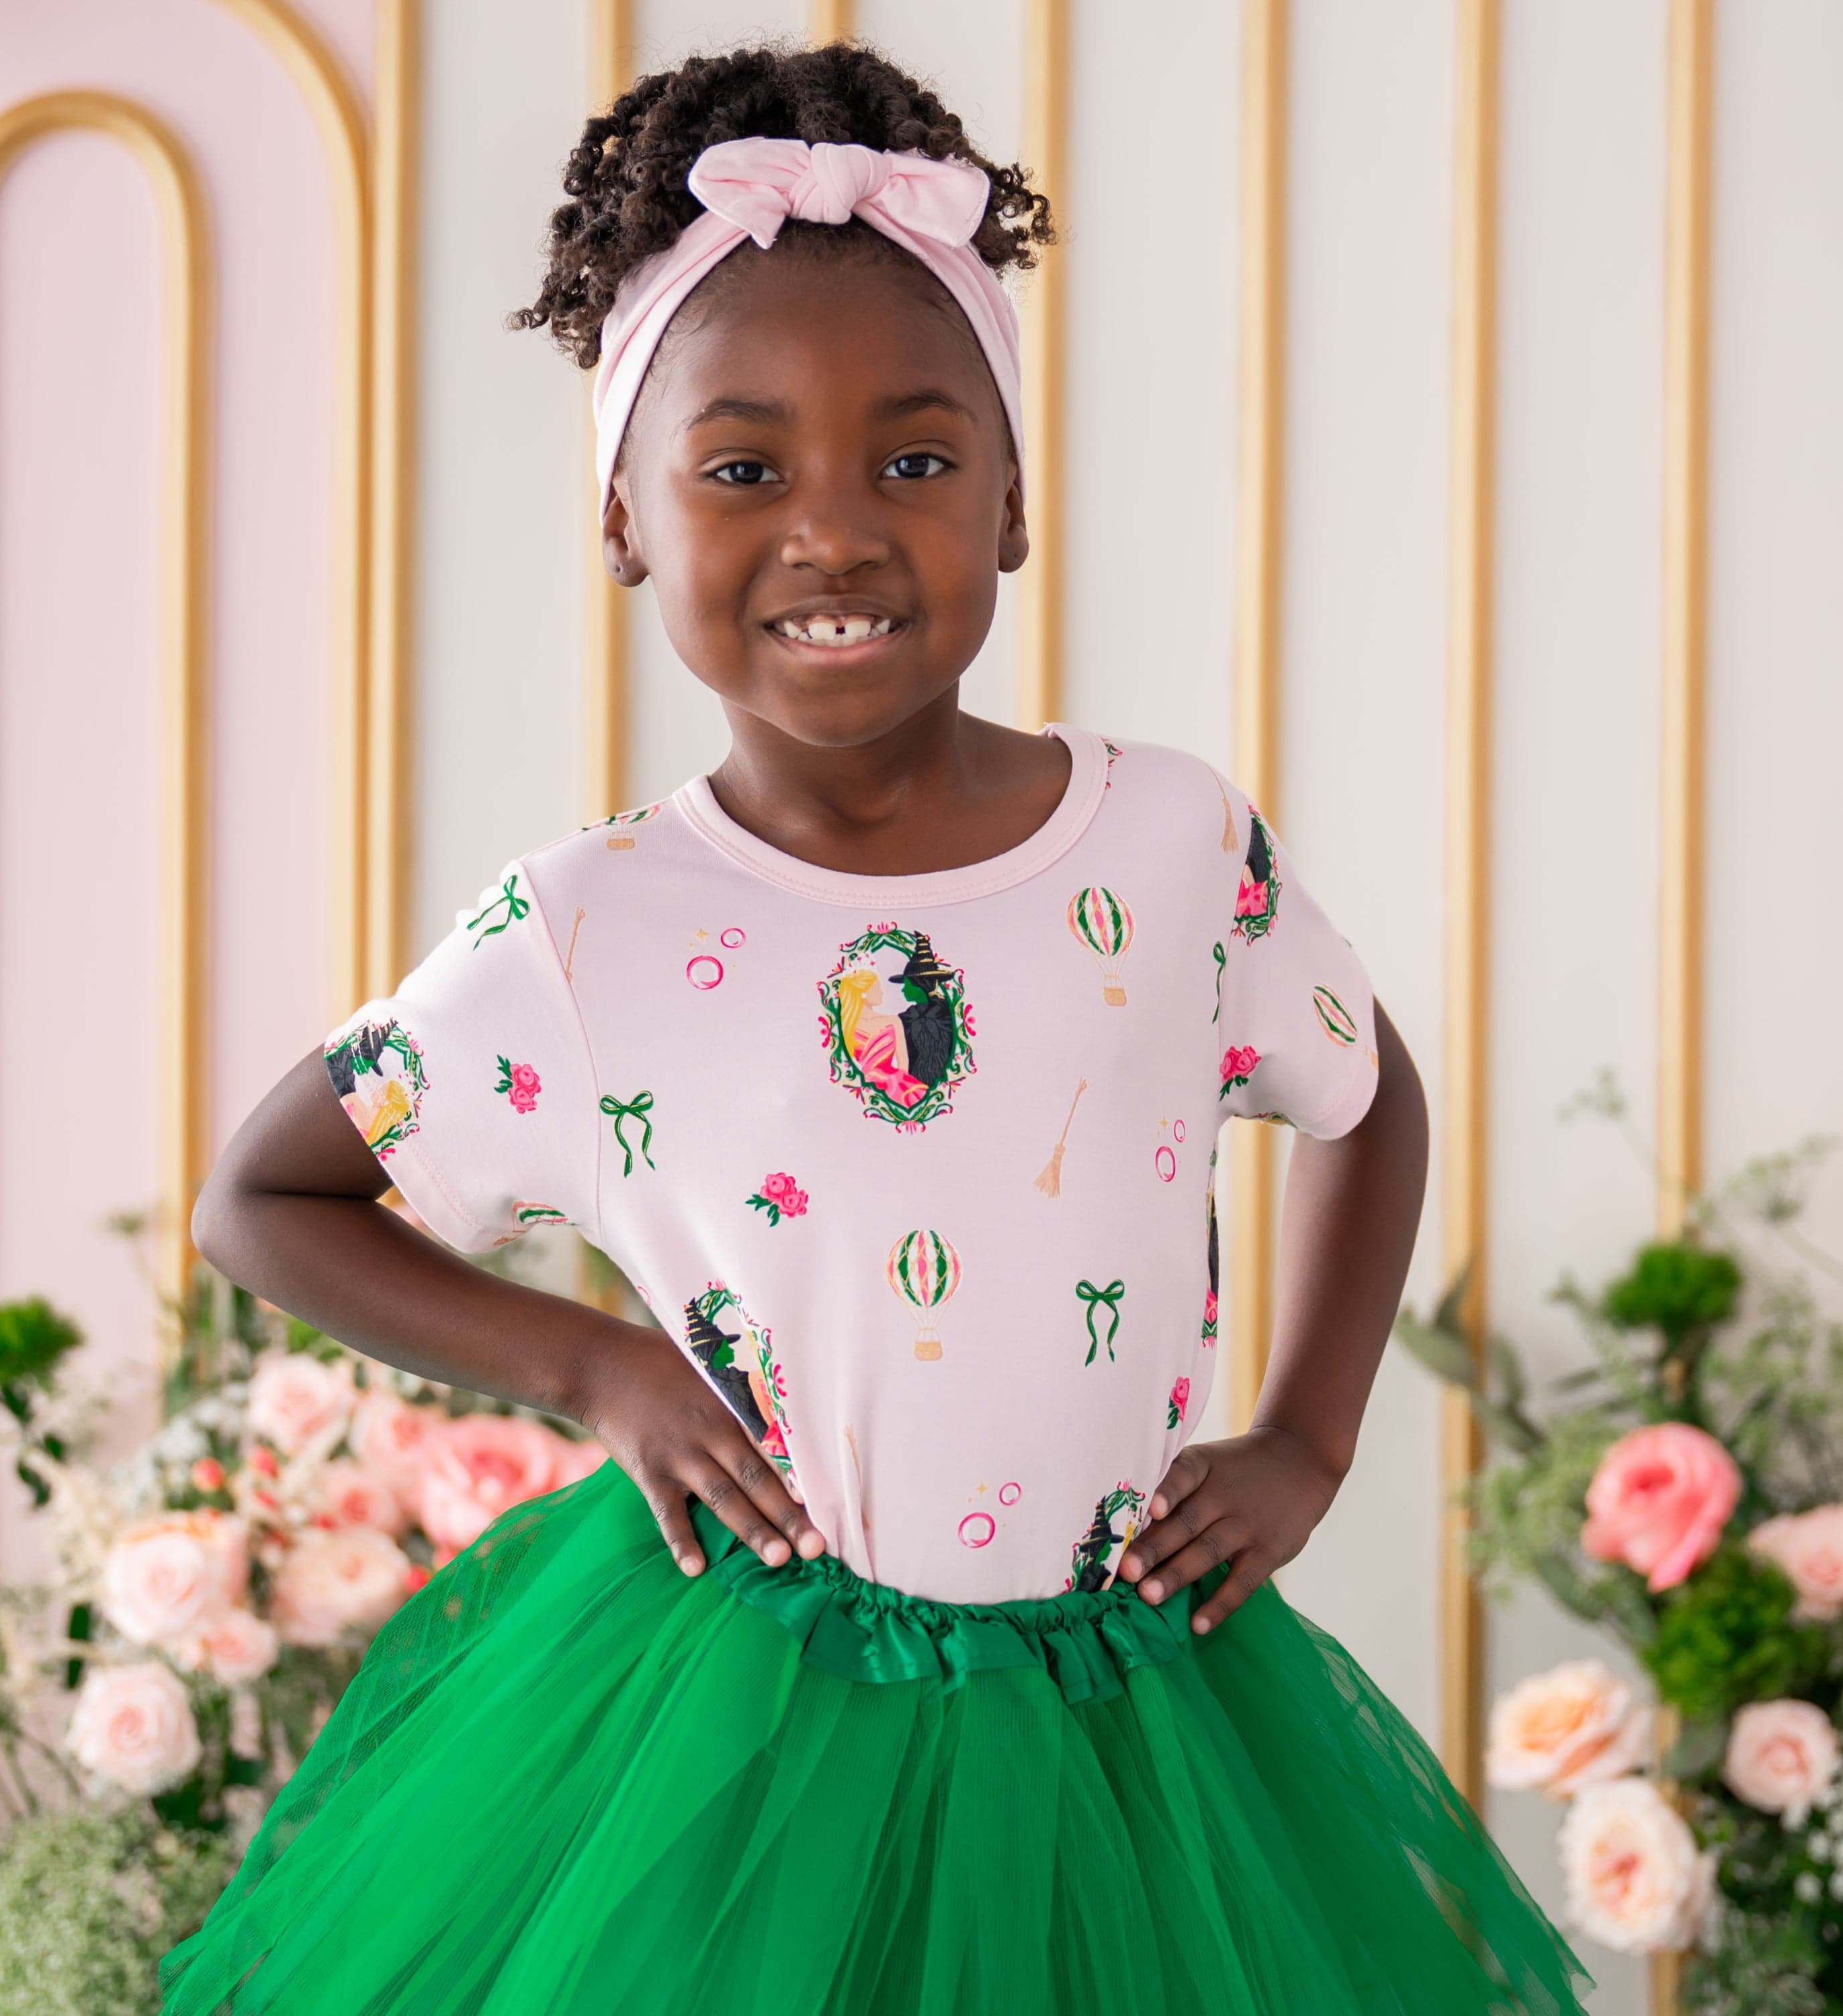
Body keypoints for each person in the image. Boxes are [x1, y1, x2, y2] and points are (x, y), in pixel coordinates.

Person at [161, 40, 1594, 2015]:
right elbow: (266, 1198)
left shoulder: (1168, 843)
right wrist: (598, 1372)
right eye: (743, 470)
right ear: (629, 527)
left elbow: (1365, 1091)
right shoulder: (591, 934)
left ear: (1009, 506)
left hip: (1128, 1718)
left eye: (914, 461)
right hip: (747, 1728)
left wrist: (1310, 1434)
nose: (832, 533)